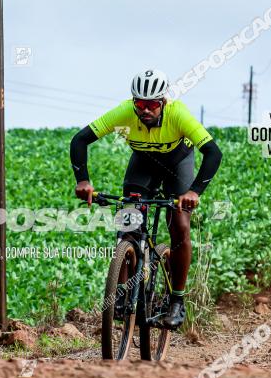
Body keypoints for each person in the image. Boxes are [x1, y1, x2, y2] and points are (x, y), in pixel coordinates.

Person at [70, 69, 222, 329]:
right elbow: (80, 140)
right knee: (128, 223)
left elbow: (213, 152)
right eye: (140, 104)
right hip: (143, 165)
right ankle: (123, 290)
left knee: (180, 227)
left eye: (152, 104)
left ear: (163, 102)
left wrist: (194, 191)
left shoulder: (178, 114)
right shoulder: (125, 112)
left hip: (178, 165)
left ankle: (177, 300)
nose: (145, 110)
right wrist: (82, 180)